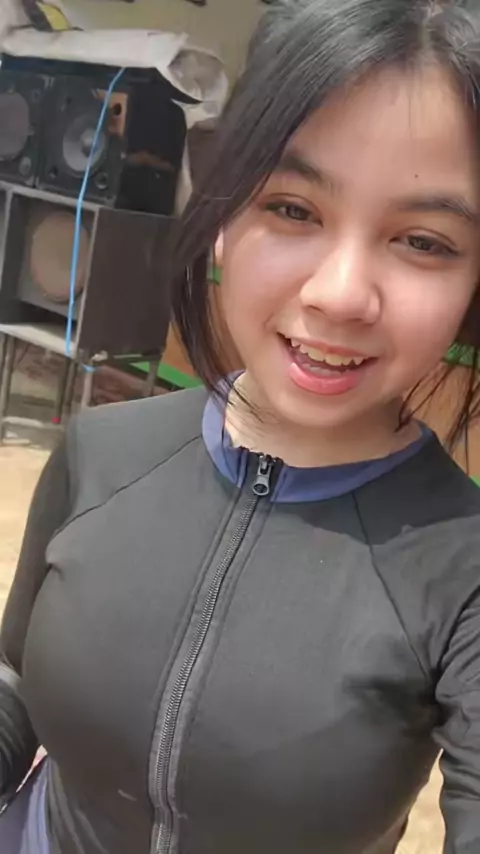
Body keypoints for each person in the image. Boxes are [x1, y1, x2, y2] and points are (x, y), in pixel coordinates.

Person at [2, 0, 480, 851]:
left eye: (423, 241)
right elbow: (13, 683)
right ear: (223, 215)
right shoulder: (102, 453)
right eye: (293, 209)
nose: (340, 294)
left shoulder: (464, 569)